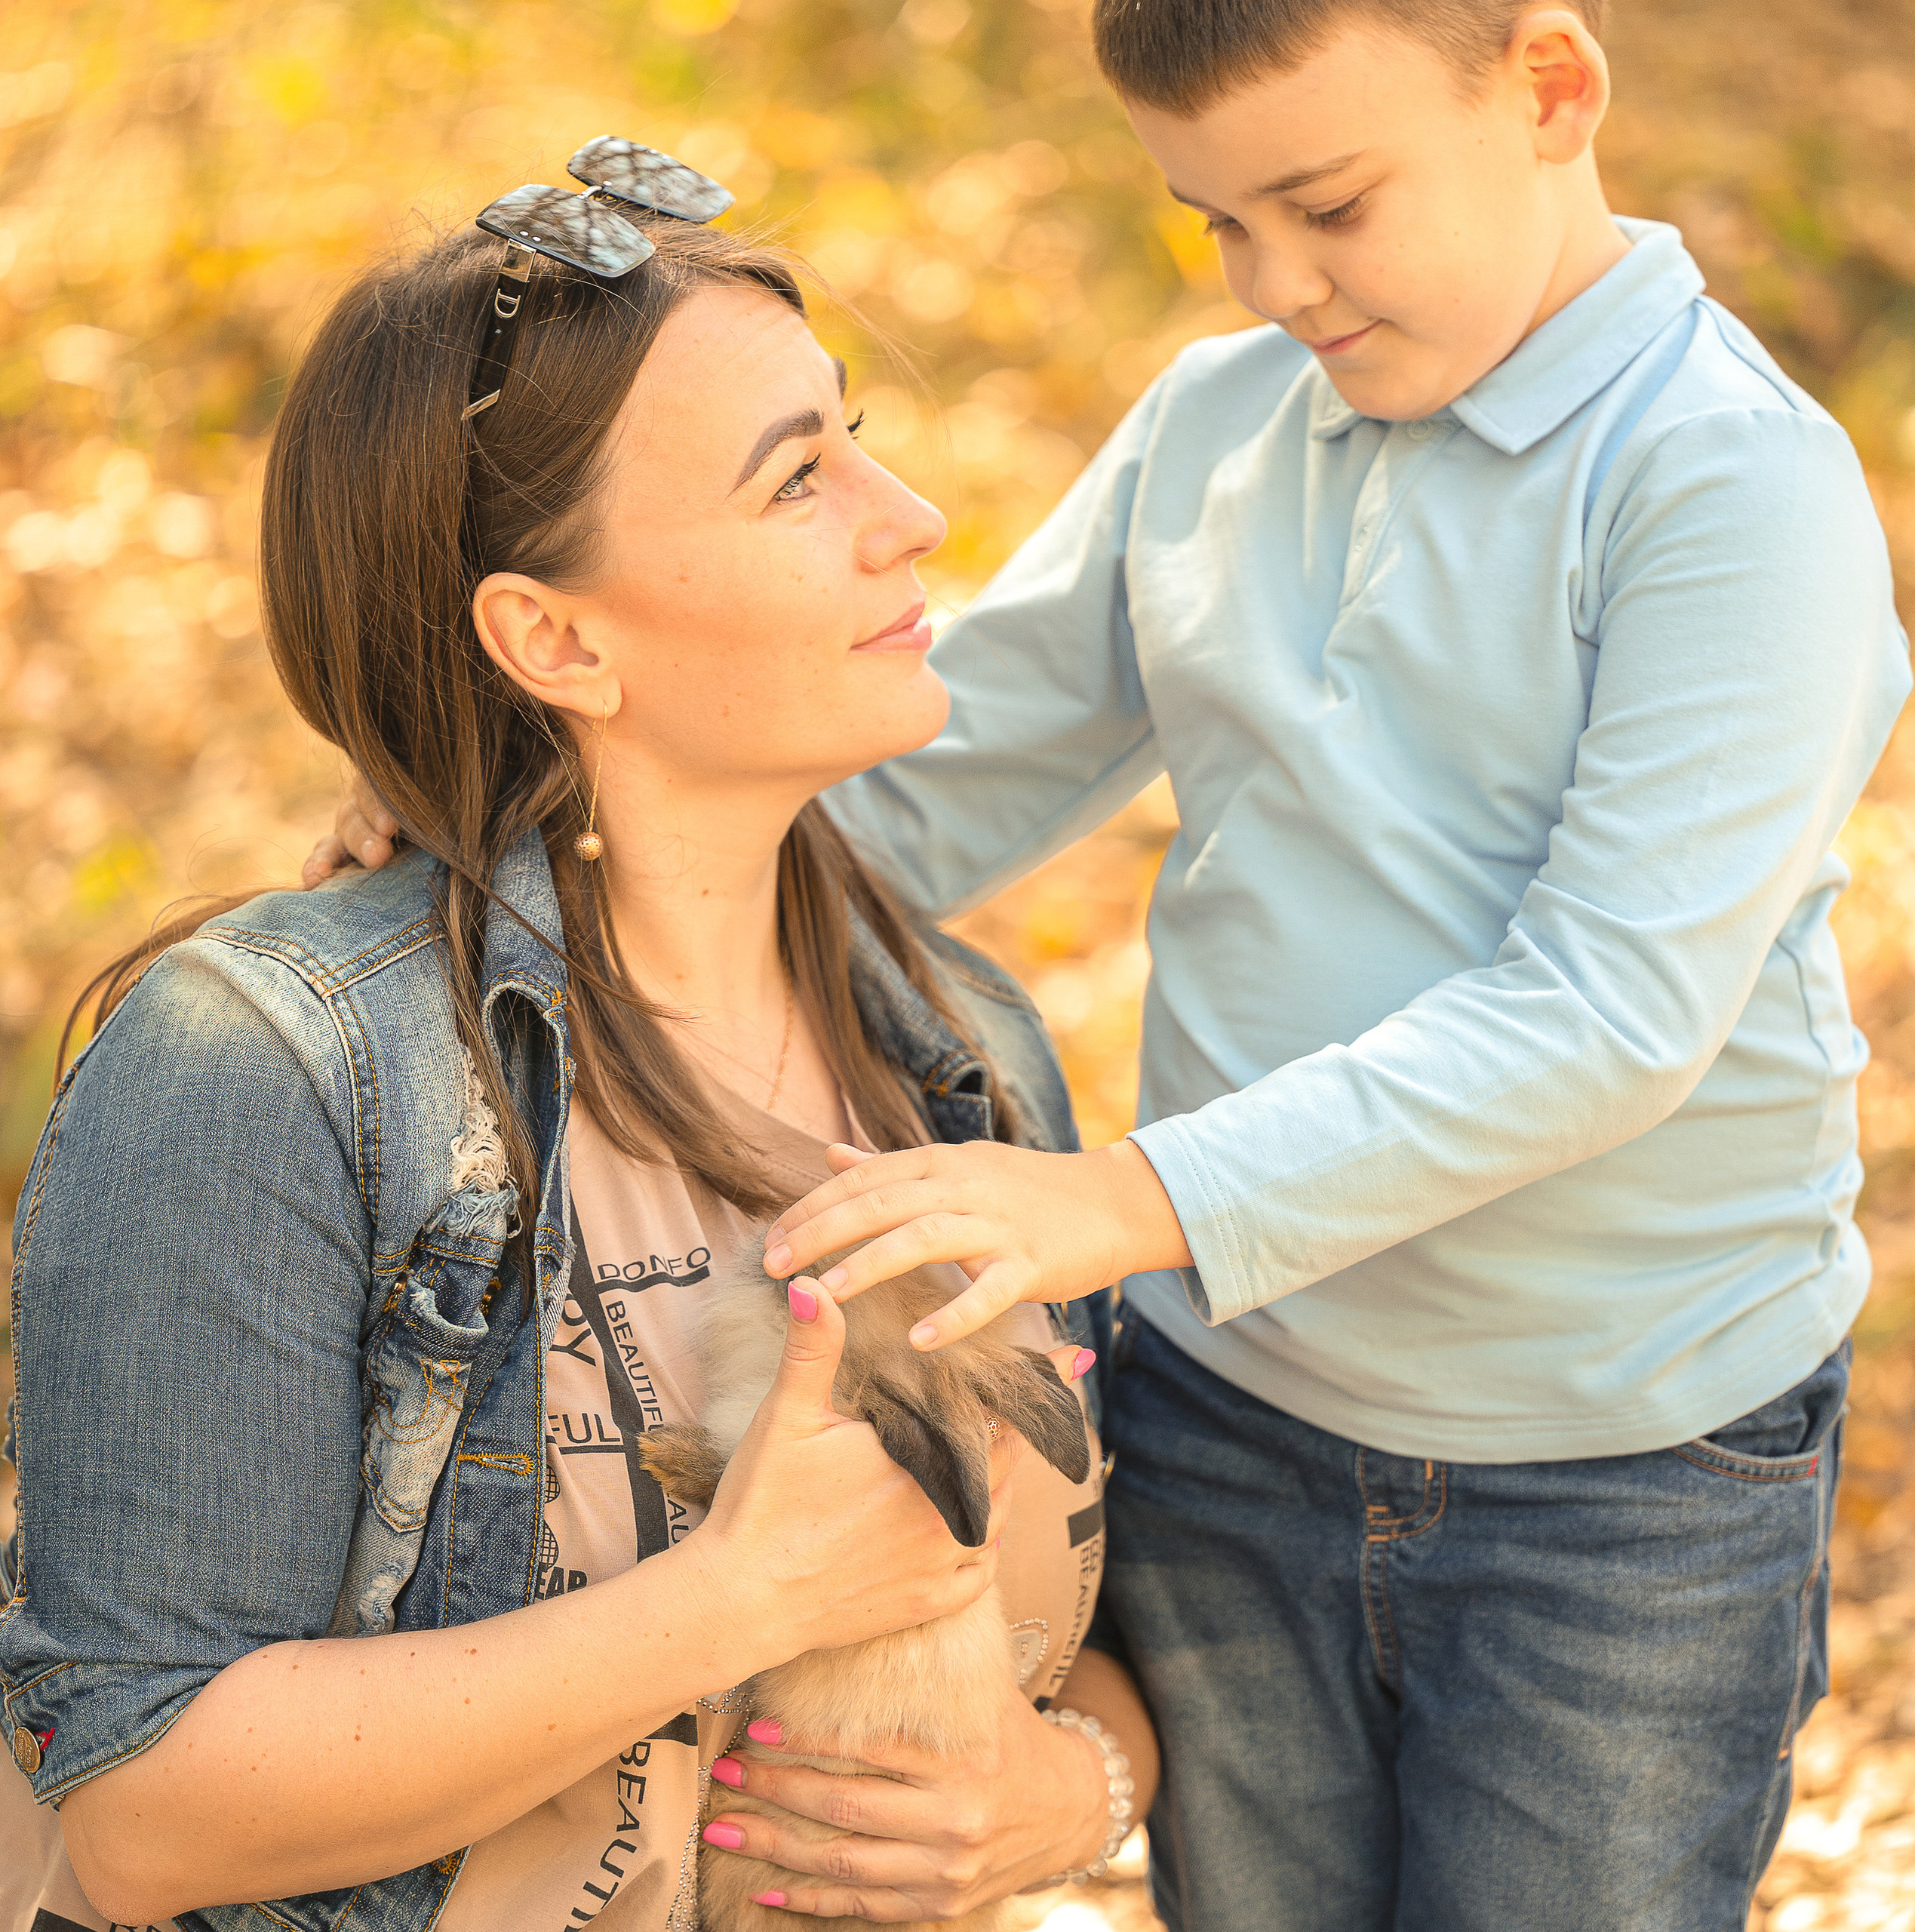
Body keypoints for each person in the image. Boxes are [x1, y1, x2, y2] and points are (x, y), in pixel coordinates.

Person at [321, 4, 1910, 1926]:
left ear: (1550, 88)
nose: (1277, 281)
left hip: (1622, 1456)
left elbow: (1609, 1012)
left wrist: (1118, 1195)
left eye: (1325, 204)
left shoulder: (1724, 484)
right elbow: (914, 791)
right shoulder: (1220, 427)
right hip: (1235, 1406)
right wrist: (506, 831)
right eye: (1215, 222)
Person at [0, 159, 1156, 1932]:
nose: (908, 511)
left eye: (852, 437)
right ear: (554, 636)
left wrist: (1065, 1793)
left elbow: (1109, 1655)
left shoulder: (964, 1054)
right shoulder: (267, 1069)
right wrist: (738, 1597)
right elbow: (146, 1800)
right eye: (796, 477)